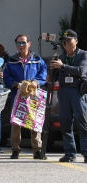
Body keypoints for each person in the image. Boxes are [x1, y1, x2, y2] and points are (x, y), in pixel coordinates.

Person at [3, 34, 47, 159]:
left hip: (33, 95)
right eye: (18, 43)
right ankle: (15, 149)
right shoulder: (11, 60)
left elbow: (43, 72)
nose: (21, 45)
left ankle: (37, 150)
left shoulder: (37, 59)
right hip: (17, 95)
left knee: (34, 121)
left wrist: (36, 82)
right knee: (16, 123)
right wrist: (16, 84)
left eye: (23, 43)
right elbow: (6, 76)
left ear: (29, 43)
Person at [50, 29, 87, 163]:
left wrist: (63, 66)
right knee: (65, 123)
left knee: (83, 123)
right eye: (64, 41)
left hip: (77, 91)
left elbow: (81, 71)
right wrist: (52, 70)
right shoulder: (60, 57)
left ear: (76, 41)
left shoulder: (83, 55)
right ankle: (70, 153)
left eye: (69, 40)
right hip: (64, 91)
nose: (66, 44)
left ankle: (86, 153)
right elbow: (54, 77)